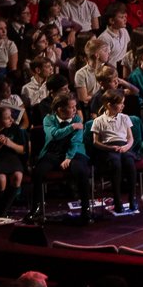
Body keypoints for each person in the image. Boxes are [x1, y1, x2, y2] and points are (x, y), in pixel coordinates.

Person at [37, 91, 95, 222]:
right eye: (71, 107)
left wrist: (69, 157)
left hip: (74, 152)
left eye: (75, 106)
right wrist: (72, 127)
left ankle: (86, 210)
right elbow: (54, 135)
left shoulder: (77, 119)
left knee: (81, 170)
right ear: (60, 109)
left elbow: (75, 140)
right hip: (54, 152)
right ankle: (37, 209)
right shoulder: (48, 119)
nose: (75, 110)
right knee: (39, 171)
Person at [89, 90, 142, 216]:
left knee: (129, 163)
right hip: (109, 148)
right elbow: (95, 142)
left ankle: (131, 198)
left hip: (123, 147)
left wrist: (126, 147)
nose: (123, 106)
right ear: (108, 105)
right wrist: (111, 148)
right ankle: (117, 200)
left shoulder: (124, 118)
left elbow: (130, 138)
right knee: (116, 164)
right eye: (120, 103)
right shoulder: (99, 120)